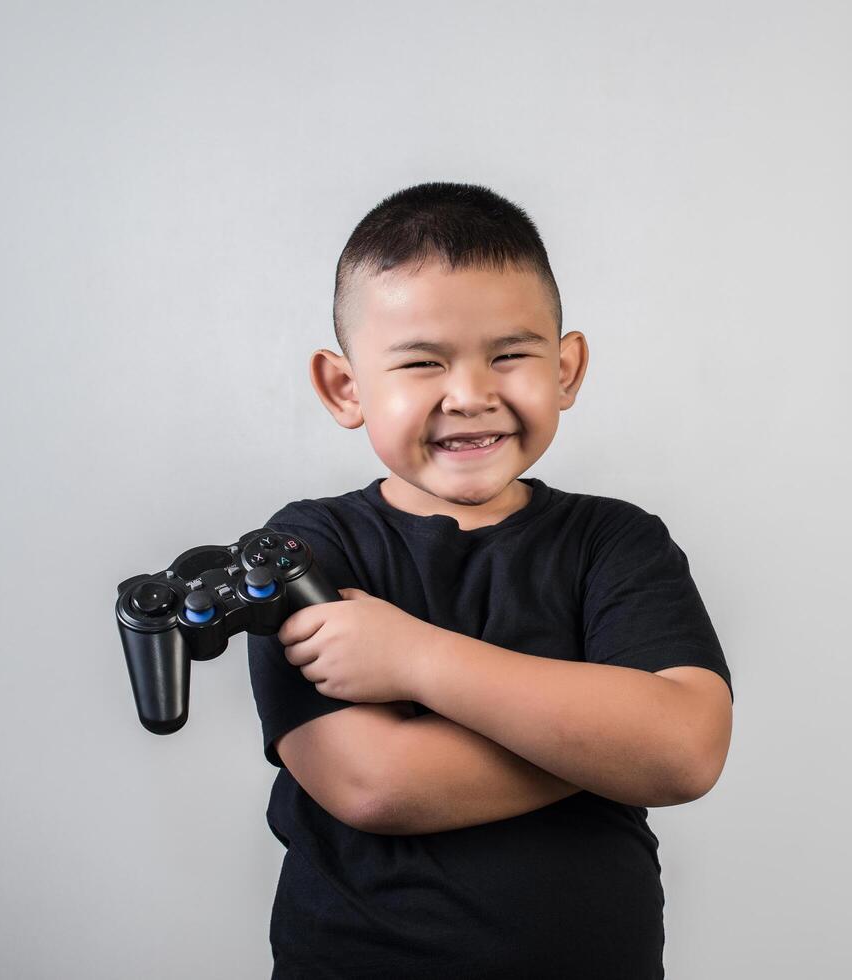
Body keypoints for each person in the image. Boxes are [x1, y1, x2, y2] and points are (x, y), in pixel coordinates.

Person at [247, 181, 735, 978]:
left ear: (566, 367)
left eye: (509, 354)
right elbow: (374, 783)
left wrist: (414, 660)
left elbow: (683, 750)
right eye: (421, 362)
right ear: (345, 387)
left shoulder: (615, 541)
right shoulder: (302, 549)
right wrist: (608, 741)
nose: (471, 396)